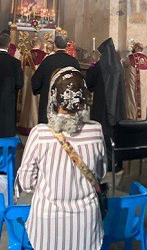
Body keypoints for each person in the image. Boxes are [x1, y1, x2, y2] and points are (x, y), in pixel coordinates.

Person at [16, 67, 106, 250]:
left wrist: (51, 185)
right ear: (83, 99)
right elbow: (101, 171)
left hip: (48, 224)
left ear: (53, 97)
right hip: (86, 224)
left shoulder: (39, 134)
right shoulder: (96, 130)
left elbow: (26, 182)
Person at [86, 38, 126, 171]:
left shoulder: (98, 66)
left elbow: (89, 84)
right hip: (118, 106)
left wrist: (92, 67)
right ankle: (118, 162)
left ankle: (104, 162)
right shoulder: (119, 66)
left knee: (102, 134)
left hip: (102, 106)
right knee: (115, 134)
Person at [32, 35, 80, 124]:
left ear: (54, 45)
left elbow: (36, 81)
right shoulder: (73, 62)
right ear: (66, 46)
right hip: (67, 103)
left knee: (47, 131)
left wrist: (40, 90)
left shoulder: (47, 61)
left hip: (49, 102)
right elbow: (79, 83)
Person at [18, 38, 46, 135]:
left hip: (27, 84)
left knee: (27, 102)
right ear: (40, 44)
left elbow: (21, 70)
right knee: (36, 104)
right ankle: (35, 125)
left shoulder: (25, 55)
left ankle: (25, 125)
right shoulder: (44, 55)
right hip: (38, 85)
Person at [123, 42, 147, 120]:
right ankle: (142, 117)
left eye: (134, 48)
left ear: (136, 48)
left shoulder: (131, 57)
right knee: (143, 99)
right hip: (143, 85)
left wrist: (122, 61)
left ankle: (132, 116)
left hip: (133, 83)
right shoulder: (146, 58)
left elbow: (125, 64)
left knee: (132, 98)